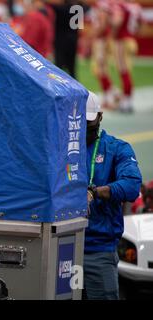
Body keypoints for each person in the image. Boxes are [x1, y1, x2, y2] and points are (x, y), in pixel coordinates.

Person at [84, 91, 142, 299]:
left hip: (98, 252)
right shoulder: (59, 146)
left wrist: (96, 192)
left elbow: (132, 186)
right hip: (59, 245)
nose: (84, 127)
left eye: (88, 121)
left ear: (100, 116)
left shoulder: (117, 149)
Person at [111, 0, 143, 113]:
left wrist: (114, 34)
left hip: (122, 41)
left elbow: (117, 21)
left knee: (123, 71)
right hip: (131, 40)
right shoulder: (136, 6)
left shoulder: (121, 6)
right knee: (127, 70)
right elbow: (139, 24)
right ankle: (127, 99)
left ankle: (127, 101)